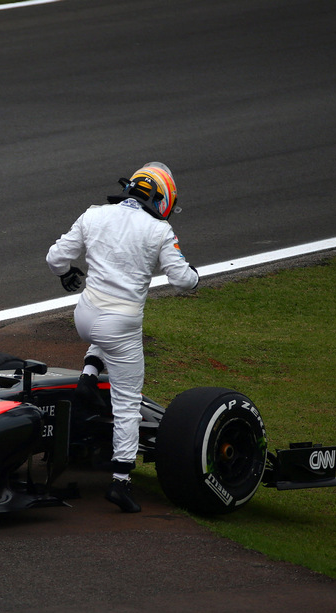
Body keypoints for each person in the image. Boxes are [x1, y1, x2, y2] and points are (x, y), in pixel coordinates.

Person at [45, 162, 200, 513]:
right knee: (128, 403)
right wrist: (194, 275)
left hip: (84, 318)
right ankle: (121, 481)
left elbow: (55, 258)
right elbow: (182, 280)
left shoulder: (94, 214)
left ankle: (88, 376)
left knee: (104, 329)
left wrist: (67, 273)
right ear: (161, 198)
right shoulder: (160, 230)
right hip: (120, 326)